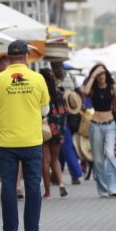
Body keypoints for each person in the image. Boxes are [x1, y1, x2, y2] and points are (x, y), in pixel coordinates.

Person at [0, 40, 50, 231]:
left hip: (7, 142)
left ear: (9, 57)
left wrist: (2, 114)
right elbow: (45, 110)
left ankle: (10, 230)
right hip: (32, 140)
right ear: (26, 56)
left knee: (8, 185)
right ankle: (32, 230)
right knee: (33, 184)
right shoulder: (38, 78)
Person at [81, 63, 116, 197]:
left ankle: (114, 187)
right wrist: (93, 75)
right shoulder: (92, 89)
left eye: (103, 73)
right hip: (95, 126)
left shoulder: (113, 87)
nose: (101, 77)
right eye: (98, 74)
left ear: (107, 74)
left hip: (110, 124)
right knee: (98, 159)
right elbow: (85, 92)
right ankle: (103, 189)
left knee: (110, 154)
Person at [50, 61, 83, 185]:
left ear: (61, 66)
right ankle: (73, 174)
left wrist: (79, 103)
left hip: (72, 115)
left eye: (57, 67)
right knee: (64, 145)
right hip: (58, 117)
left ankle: (60, 174)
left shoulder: (71, 77)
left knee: (64, 145)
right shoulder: (52, 80)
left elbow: (79, 92)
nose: (55, 70)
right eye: (53, 67)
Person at [39, 68, 69, 199]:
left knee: (46, 161)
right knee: (55, 159)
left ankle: (48, 192)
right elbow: (66, 112)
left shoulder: (41, 94)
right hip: (58, 130)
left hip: (45, 130)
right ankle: (61, 183)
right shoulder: (60, 94)